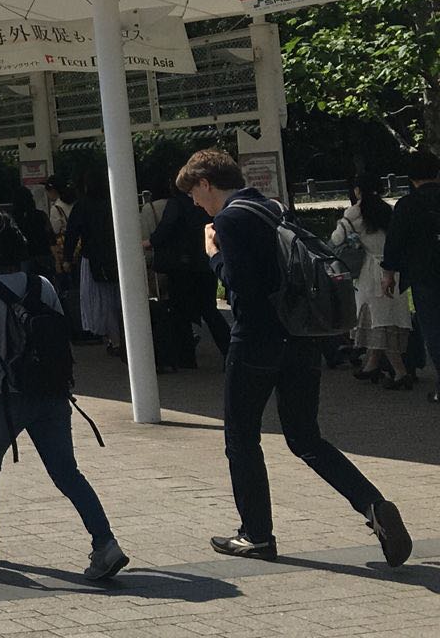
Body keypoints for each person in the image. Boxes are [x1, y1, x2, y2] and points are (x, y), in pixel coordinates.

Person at [175, 148, 411, 565]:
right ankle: (372, 504)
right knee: (305, 437)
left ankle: (256, 535)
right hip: (302, 336)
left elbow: (240, 287)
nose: (194, 203)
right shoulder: (273, 208)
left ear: (206, 183)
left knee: (241, 437)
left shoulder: (229, 220)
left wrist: (214, 255)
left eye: (193, 193)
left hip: (256, 341)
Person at [0, 213, 128, 581]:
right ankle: (106, 543)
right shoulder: (42, 285)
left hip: (5, 396)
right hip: (52, 392)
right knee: (67, 473)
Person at [333, 178, 415, 388]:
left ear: (358, 190)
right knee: (387, 319)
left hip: (371, 272)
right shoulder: (388, 210)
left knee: (377, 321)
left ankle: (400, 372)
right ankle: (372, 365)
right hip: (393, 270)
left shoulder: (354, 213)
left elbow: (337, 239)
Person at [382, 149, 440, 405]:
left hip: (423, 273)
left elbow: (395, 242)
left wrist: (388, 274)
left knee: (434, 328)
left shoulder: (407, 205)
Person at [150, 187, 230, 363]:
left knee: (180, 311)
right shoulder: (206, 203)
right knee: (209, 310)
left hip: (182, 266)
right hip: (205, 261)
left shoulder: (177, 203)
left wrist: (151, 241)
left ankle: (186, 356)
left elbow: (166, 227)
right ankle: (228, 349)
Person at [63, 178, 123, 356]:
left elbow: (72, 233)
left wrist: (67, 258)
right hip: (117, 257)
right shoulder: (113, 202)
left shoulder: (82, 206)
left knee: (101, 302)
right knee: (119, 299)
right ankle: (123, 337)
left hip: (93, 259)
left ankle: (114, 339)